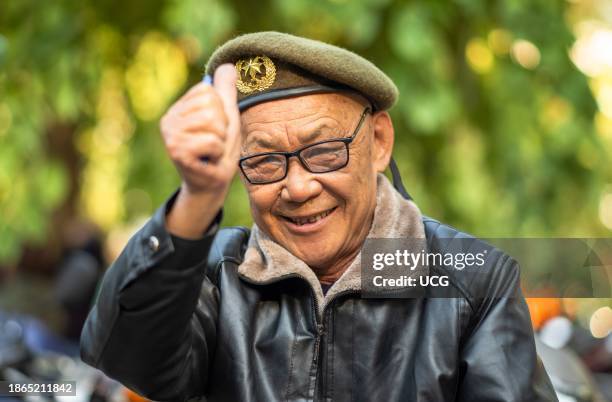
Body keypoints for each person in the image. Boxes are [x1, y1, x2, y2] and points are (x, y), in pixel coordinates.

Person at [80, 32, 557, 401]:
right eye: (265, 161)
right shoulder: (215, 277)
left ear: (379, 142)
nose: (298, 187)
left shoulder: (474, 284)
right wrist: (199, 197)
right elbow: (128, 355)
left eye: (325, 151)